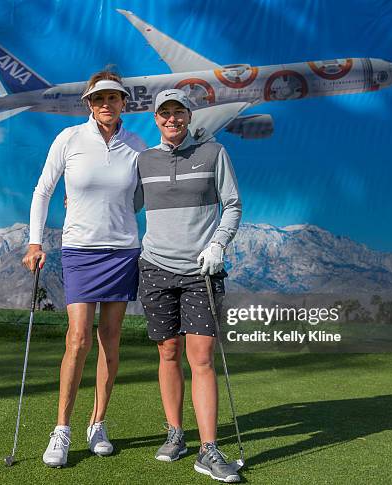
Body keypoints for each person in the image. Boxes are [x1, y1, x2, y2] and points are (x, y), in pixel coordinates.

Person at [21, 71, 146, 468]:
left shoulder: (138, 147)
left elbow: (139, 200)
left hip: (122, 251)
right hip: (79, 250)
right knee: (78, 339)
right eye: (98, 99)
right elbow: (43, 191)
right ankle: (62, 429)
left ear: (124, 102)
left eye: (113, 97)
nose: (106, 104)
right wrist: (35, 241)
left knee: (110, 338)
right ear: (89, 104)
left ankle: (98, 423)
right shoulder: (69, 139)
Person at [137, 89, 242, 483]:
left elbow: (232, 205)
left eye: (177, 112)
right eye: (164, 113)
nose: (171, 119)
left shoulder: (214, 153)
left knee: (201, 358)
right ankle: (176, 434)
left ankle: (209, 449)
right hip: (156, 268)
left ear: (188, 115)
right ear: (155, 118)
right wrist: (78, 200)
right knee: (167, 353)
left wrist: (217, 244)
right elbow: (122, 202)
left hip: (201, 271)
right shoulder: (143, 160)